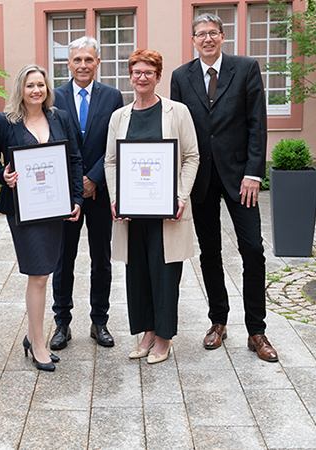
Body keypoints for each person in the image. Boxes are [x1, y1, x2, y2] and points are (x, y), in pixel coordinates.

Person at [170, 13, 278, 362]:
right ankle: (218, 321)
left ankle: (256, 330)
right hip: (201, 178)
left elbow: (257, 124)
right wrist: (177, 182)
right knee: (209, 252)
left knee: (253, 250)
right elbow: (176, 130)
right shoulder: (181, 77)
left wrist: (254, 173)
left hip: (240, 178)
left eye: (213, 33)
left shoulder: (245, 69)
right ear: (193, 40)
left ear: (222, 36)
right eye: (200, 34)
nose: (207, 39)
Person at [105, 49, 199, 364]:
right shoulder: (120, 117)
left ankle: (164, 337)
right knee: (138, 274)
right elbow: (111, 161)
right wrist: (116, 197)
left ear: (158, 77)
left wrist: (180, 196)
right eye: (137, 72)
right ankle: (147, 332)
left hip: (167, 212)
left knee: (165, 273)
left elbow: (192, 156)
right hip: (132, 213)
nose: (142, 77)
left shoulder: (177, 112)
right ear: (130, 76)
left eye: (148, 72)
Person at [0, 64, 83, 371]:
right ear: (21, 89)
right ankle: (39, 344)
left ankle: (32, 336)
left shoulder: (60, 117)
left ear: (47, 88)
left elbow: (74, 159)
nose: (36, 90)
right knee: (39, 274)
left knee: (46, 272)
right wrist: (3, 176)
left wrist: (77, 199)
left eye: (40, 85)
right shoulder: (6, 121)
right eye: (30, 85)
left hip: (54, 207)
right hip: (23, 210)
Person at [50, 36, 124, 351]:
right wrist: (74, 182)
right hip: (65, 193)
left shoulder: (112, 96)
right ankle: (61, 323)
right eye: (77, 60)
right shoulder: (54, 96)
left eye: (88, 59)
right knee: (62, 259)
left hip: (99, 191)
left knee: (101, 259)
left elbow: (116, 141)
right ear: (68, 63)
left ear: (98, 62)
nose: (83, 65)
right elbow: (50, 141)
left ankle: (99, 321)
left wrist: (93, 177)